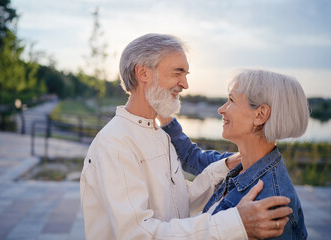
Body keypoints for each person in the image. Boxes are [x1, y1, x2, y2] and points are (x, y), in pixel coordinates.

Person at [80, 34, 292, 239]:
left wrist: (223, 166)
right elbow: (137, 234)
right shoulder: (116, 143)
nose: (185, 84)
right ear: (143, 73)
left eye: (185, 75)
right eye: (177, 72)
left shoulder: (157, 135)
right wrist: (236, 224)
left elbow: (177, 202)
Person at [159, 69, 308, 239]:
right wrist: (161, 109)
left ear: (260, 114)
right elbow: (191, 157)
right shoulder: (237, 164)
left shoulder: (270, 202)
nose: (221, 109)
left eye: (231, 100)